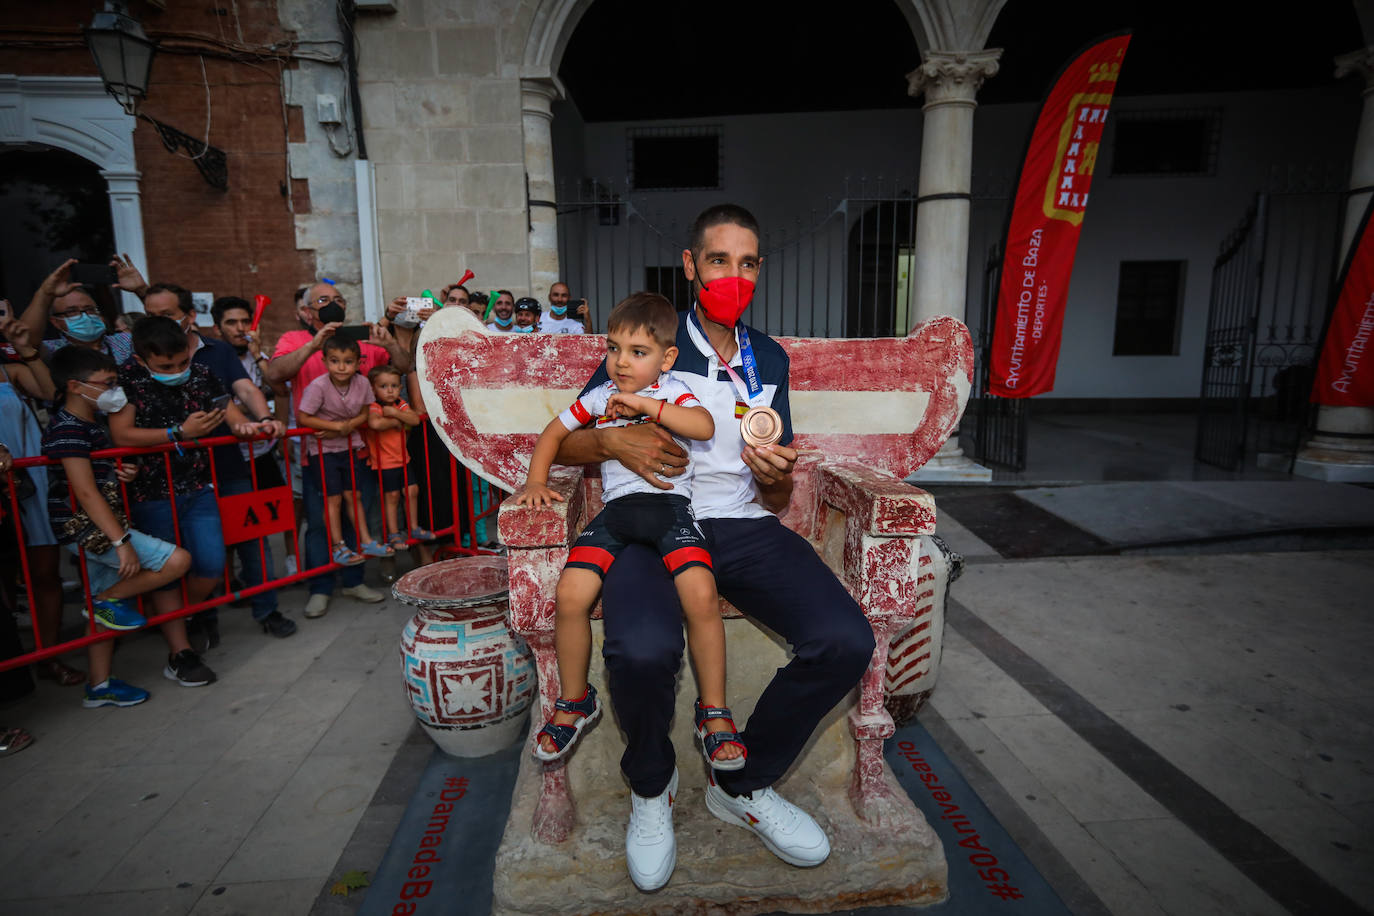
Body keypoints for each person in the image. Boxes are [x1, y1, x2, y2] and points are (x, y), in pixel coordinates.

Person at [552, 204, 874, 891]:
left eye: (749, 261)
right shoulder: (653, 342)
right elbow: (570, 438)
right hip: (651, 524)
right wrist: (610, 440)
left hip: (741, 527)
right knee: (640, 651)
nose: (734, 273)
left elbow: (776, 487)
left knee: (845, 639)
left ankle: (742, 782)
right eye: (719, 259)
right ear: (692, 265)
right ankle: (652, 786)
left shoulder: (772, 358)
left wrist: (777, 479)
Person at [515, 292, 745, 774]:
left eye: (637, 353)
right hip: (618, 512)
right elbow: (553, 434)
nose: (621, 362)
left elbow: (702, 426)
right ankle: (574, 700)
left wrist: (646, 405)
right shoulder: (600, 397)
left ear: (666, 358)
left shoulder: (675, 388)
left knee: (701, 595)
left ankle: (715, 711)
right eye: (613, 348)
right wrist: (536, 481)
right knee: (571, 594)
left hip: (671, 511)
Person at [109, 316, 265, 687]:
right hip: (150, 492)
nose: (177, 371)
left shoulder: (199, 372)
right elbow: (120, 433)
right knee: (167, 574)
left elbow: (224, 408)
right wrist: (177, 432)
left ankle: (178, 617)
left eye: (182, 362)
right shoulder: (125, 380)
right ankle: (180, 653)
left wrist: (246, 424)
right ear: (142, 356)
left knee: (211, 565)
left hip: (199, 485)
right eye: (166, 366)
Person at [43, 347, 193, 707]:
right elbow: (83, 490)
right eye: (107, 384)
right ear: (76, 386)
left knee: (102, 613)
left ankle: (99, 685)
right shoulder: (67, 428)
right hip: (90, 528)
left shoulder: (88, 425)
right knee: (176, 561)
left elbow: (94, 479)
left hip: (100, 525)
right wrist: (121, 541)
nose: (115, 390)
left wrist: (123, 473)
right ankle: (106, 601)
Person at [143, 283, 290, 644]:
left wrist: (262, 420)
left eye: (166, 315)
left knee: (251, 539)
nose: (159, 323)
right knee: (198, 554)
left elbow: (243, 390)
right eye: (152, 317)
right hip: (175, 475)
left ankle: (266, 608)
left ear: (189, 317)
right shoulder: (137, 361)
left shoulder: (217, 353)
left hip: (228, 463)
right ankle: (198, 618)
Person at [263, 281, 409, 618]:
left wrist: (390, 343)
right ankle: (320, 586)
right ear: (306, 311)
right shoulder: (293, 339)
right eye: (323, 300)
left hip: (358, 450)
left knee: (354, 512)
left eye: (338, 299)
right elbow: (275, 373)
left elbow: (399, 367)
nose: (333, 304)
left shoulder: (359, 341)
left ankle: (354, 580)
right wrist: (315, 344)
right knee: (318, 519)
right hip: (316, 450)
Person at [0, 306, 80, 685]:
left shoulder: (8, 369)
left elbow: (52, 394)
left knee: (44, 574)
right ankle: (12, 665)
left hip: (29, 484)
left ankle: (50, 656)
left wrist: (24, 349)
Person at [210, 296, 299, 637]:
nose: (239, 329)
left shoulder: (256, 358)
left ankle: (266, 606)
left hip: (261, 454)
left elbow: (278, 389)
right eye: (231, 323)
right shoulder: (212, 358)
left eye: (244, 321)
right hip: (228, 458)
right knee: (229, 532)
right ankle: (223, 592)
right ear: (217, 328)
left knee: (260, 530)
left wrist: (261, 354)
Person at [296, 336, 393, 567]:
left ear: (359, 363)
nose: (341, 367)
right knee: (334, 499)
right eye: (335, 361)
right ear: (324, 361)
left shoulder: (361, 384)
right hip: (323, 450)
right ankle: (339, 546)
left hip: (348, 446)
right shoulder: (318, 386)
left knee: (354, 496)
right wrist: (336, 428)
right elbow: (303, 418)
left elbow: (365, 412)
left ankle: (366, 540)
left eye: (348, 361)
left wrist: (348, 426)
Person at [19, 257, 145, 365]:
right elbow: (25, 341)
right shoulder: (54, 350)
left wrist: (141, 290)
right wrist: (44, 293)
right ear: (56, 322)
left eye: (89, 309)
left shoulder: (124, 342)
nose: (85, 316)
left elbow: (161, 335)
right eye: (72, 311)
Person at [364, 365, 432, 549]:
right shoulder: (374, 406)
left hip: (404, 459)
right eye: (384, 386)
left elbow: (415, 420)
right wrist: (399, 420)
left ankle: (414, 527)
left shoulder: (399, 404)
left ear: (400, 388)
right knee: (392, 496)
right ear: (373, 388)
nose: (390, 390)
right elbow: (375, 424)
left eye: (394, 386)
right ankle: (393, 534)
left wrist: (395, 415)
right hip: (385, 462)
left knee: (412, 491)